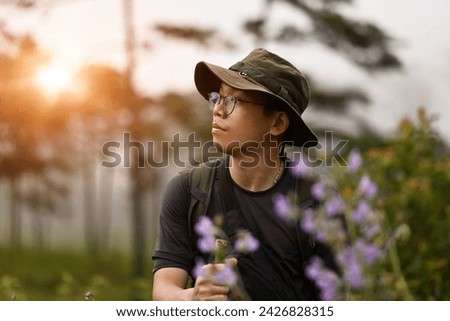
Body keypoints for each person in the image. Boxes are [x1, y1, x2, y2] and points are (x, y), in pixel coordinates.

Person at [152, 48, 333, 301]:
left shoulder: (315, 201)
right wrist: (193, 298)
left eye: (233, 101)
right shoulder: (189, 190)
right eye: (218, 98)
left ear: (277, 123)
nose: (217, 109)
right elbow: (163, 291)